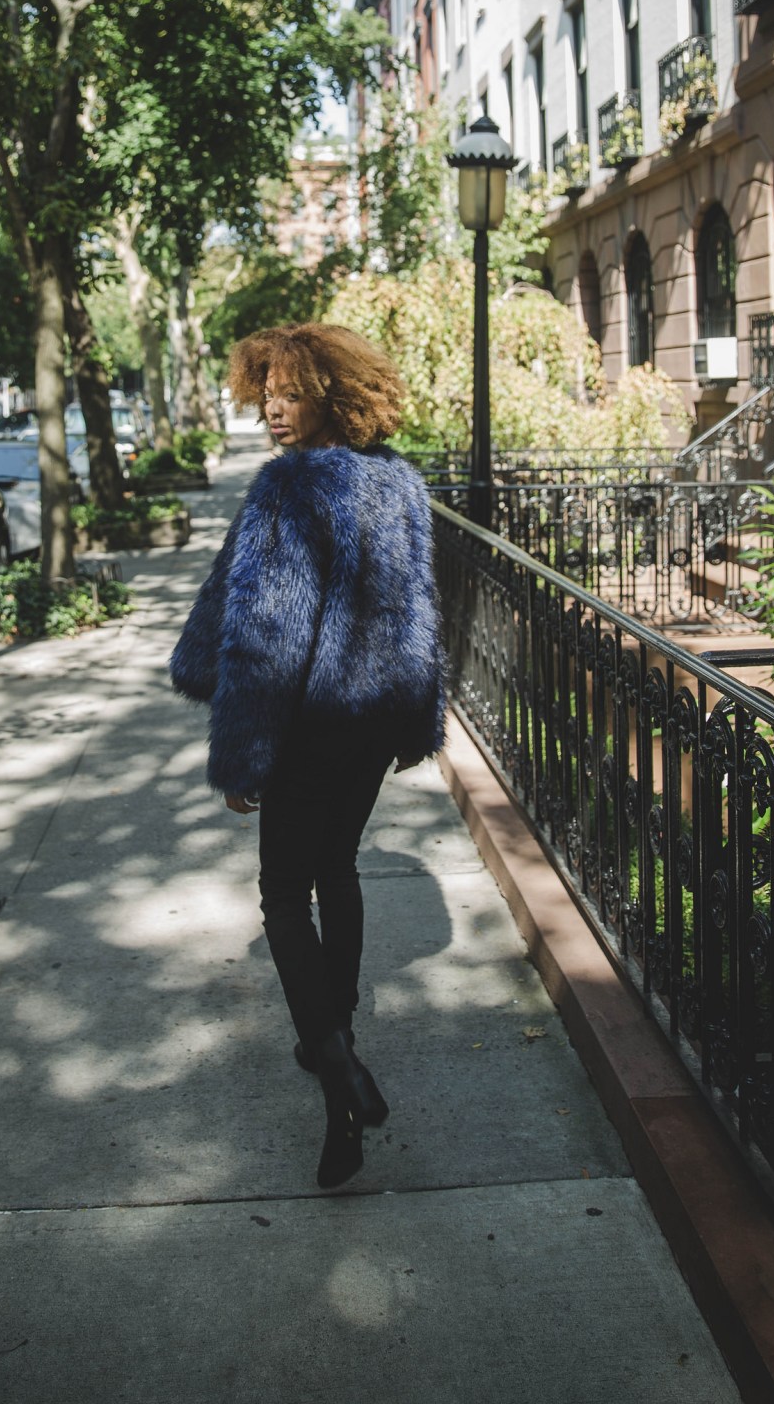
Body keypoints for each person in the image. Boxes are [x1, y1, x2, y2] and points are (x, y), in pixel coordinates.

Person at [169, 323, 445, 1190]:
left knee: (284, 893)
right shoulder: (397, 483)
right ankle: (340, 1046)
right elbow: (420, 612)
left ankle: (338, 1068)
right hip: (367, 725)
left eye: (290, 393)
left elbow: (267, 634)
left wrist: (244, 754)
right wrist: (414, 720)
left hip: (305, 726)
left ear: (332, 394)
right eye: (266, 393)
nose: (273, 411)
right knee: (337, 868)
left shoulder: (290, 489)